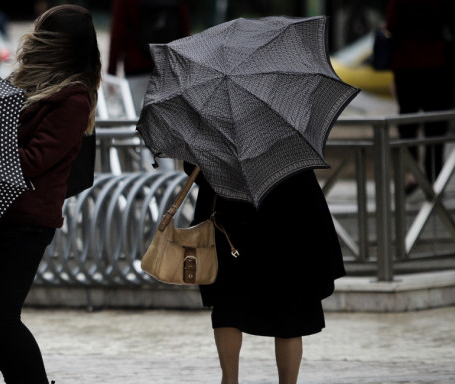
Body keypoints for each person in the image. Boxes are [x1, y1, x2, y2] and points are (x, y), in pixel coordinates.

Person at [0, 5, 101, 384]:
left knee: (2, 316)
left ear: (58, 43)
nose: (33, 37)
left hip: (28, 220)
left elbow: (35, 159)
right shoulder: (28, 83)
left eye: (43, 32)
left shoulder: (73, 98)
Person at [184, 162, 346, 384]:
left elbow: (194, 170)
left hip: (229, 217)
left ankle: (229, 381)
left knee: (228, 305)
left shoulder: (214, 140)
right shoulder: (285, 144)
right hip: (287, 217)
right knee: (289, 311)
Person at [384, 0, 455, 193]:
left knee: (408, 123)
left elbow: (392, 24)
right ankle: (434, 176)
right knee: (436, 126)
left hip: (408, 67)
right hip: (437, 66)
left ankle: (413, 172)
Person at [107, 0, 190, 115]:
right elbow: (184, 29)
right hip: (167, 65)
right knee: (164, 118)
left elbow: (118, 33)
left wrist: (111, 73)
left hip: (135, 65)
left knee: (132, 116)